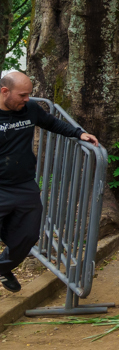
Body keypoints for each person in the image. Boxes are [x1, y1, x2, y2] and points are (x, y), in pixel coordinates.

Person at [0, 72, 99, 293]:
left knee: (28, 236)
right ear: (4, 91)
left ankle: (3, 267)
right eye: (22, 95)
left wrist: (78, 133)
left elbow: (52, 123)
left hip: (24, 184)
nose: (27, 99)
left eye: (29, 94)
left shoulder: (30, 109)